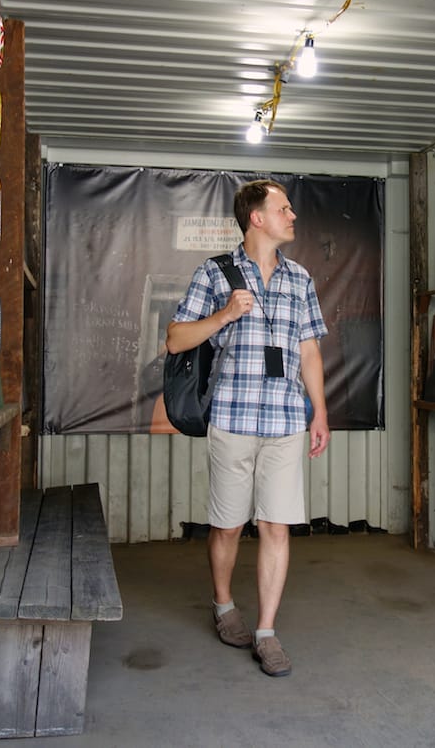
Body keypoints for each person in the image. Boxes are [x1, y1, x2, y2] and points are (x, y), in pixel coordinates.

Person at [166, 180, 330, 678]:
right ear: (256, 218)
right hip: (232, 418)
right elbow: (175, 340)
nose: (293, 216)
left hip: (284, 421)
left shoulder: (300, 279)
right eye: (283, 209)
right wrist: (224, 314)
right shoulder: (214, 273)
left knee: (277, 524)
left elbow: (309, 351)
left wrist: (319, 412)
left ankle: (266, 632)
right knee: (229, 524)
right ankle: (223, 606)